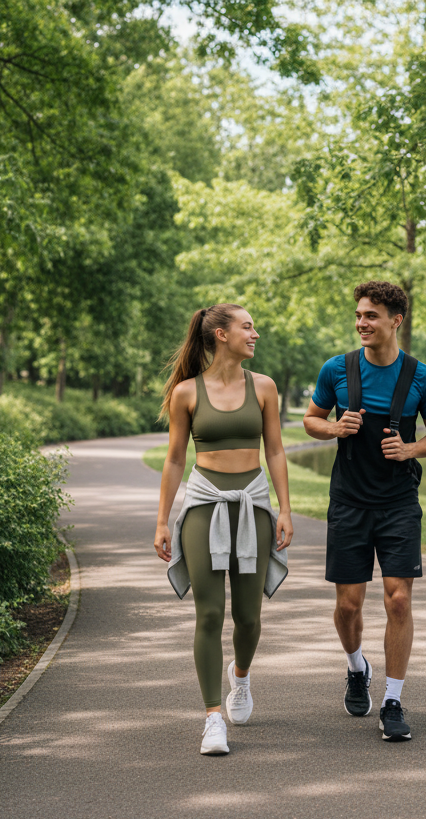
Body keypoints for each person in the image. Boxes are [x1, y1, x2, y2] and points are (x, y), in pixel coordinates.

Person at [303, 281, 426, 742]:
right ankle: (355, 667)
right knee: (348, 605)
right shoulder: (337, 369)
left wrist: (409, 449)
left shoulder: (421, 377)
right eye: (359, 316)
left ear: (395, 321)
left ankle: (393, 700)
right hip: (348, 499)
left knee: (399, 599)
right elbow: (310, 419)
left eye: (371, 316)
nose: (362, 323)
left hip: (398, 502)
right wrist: (331, 428)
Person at [154, 304, 295, 756]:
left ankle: (241, 677)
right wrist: (162, 520)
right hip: (203, 507)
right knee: (210, 614)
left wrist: (285, 509)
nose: (255, 333)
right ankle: (213, 717)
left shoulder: (265, 387)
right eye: (247, 326)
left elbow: (274, 451)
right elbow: (175, 458)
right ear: (220, 334)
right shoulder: (187, 393)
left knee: (249, 618)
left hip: (252, 505)